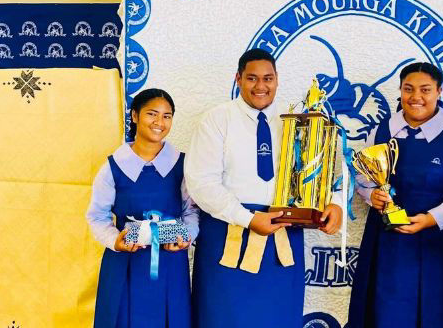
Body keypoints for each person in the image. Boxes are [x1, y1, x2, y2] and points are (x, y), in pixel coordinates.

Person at [185, 48, 343, 328]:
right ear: (238, 79)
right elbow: (201, 182)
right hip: (227, 236)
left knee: (277, 319)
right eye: (252, 78)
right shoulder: (216, 120)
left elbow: (328, 171)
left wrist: (336, 203)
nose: (261, 86)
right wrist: (248, 218)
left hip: (282, 236)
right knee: (222, 319)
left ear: (277, 80)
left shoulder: (297, 122)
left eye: (268, 78)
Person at [348, 62, 443, 328]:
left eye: (425, 89)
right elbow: (363, 175)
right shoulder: (382, 130)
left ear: (439, 92)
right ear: (400, 91)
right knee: (386, 312)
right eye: (409, 89)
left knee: (442, 313)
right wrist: (372, 195)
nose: (416, 97)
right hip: (389, 242)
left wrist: (431, 218)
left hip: (442, 244)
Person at [87, 88, 199, 328]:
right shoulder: (113, 167)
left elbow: (192, 212)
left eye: (167, 116)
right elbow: (97, 216)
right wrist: (116, 240)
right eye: (152, 114)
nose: (160, 122)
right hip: (125, 264)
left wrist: (184, 236)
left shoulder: (183, 165)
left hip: (170, 263)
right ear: (135, 115)